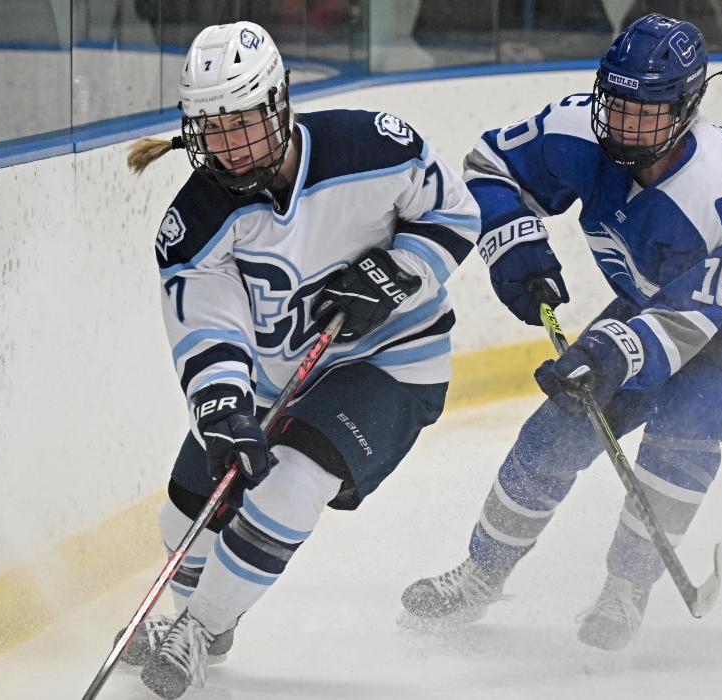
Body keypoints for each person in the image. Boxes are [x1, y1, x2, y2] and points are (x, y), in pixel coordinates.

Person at [400, 12, 722, 651]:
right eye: (617, 102)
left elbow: (690, 325)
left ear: (687, 108)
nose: (624, 123)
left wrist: (608, 352)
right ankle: (479, 579)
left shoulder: (716, 194)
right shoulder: (579, 129)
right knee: (559, 425)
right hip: (666, 301)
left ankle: (626, 591)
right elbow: (492, 166)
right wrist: (514, 243)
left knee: (689, 416)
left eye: (647, 111)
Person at [123, 20, 480, 698]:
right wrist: (223, 407)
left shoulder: (371, 146)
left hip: (393, 361)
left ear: (280, 104)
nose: (229, 148)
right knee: (184, 510)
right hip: (275, 376)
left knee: (293, 479)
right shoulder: (193, 225)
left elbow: (453, 217)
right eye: (213, 130)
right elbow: (209, 330)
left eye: (244, 125)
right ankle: (205, 623)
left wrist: (396, 271)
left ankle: (198, 630)